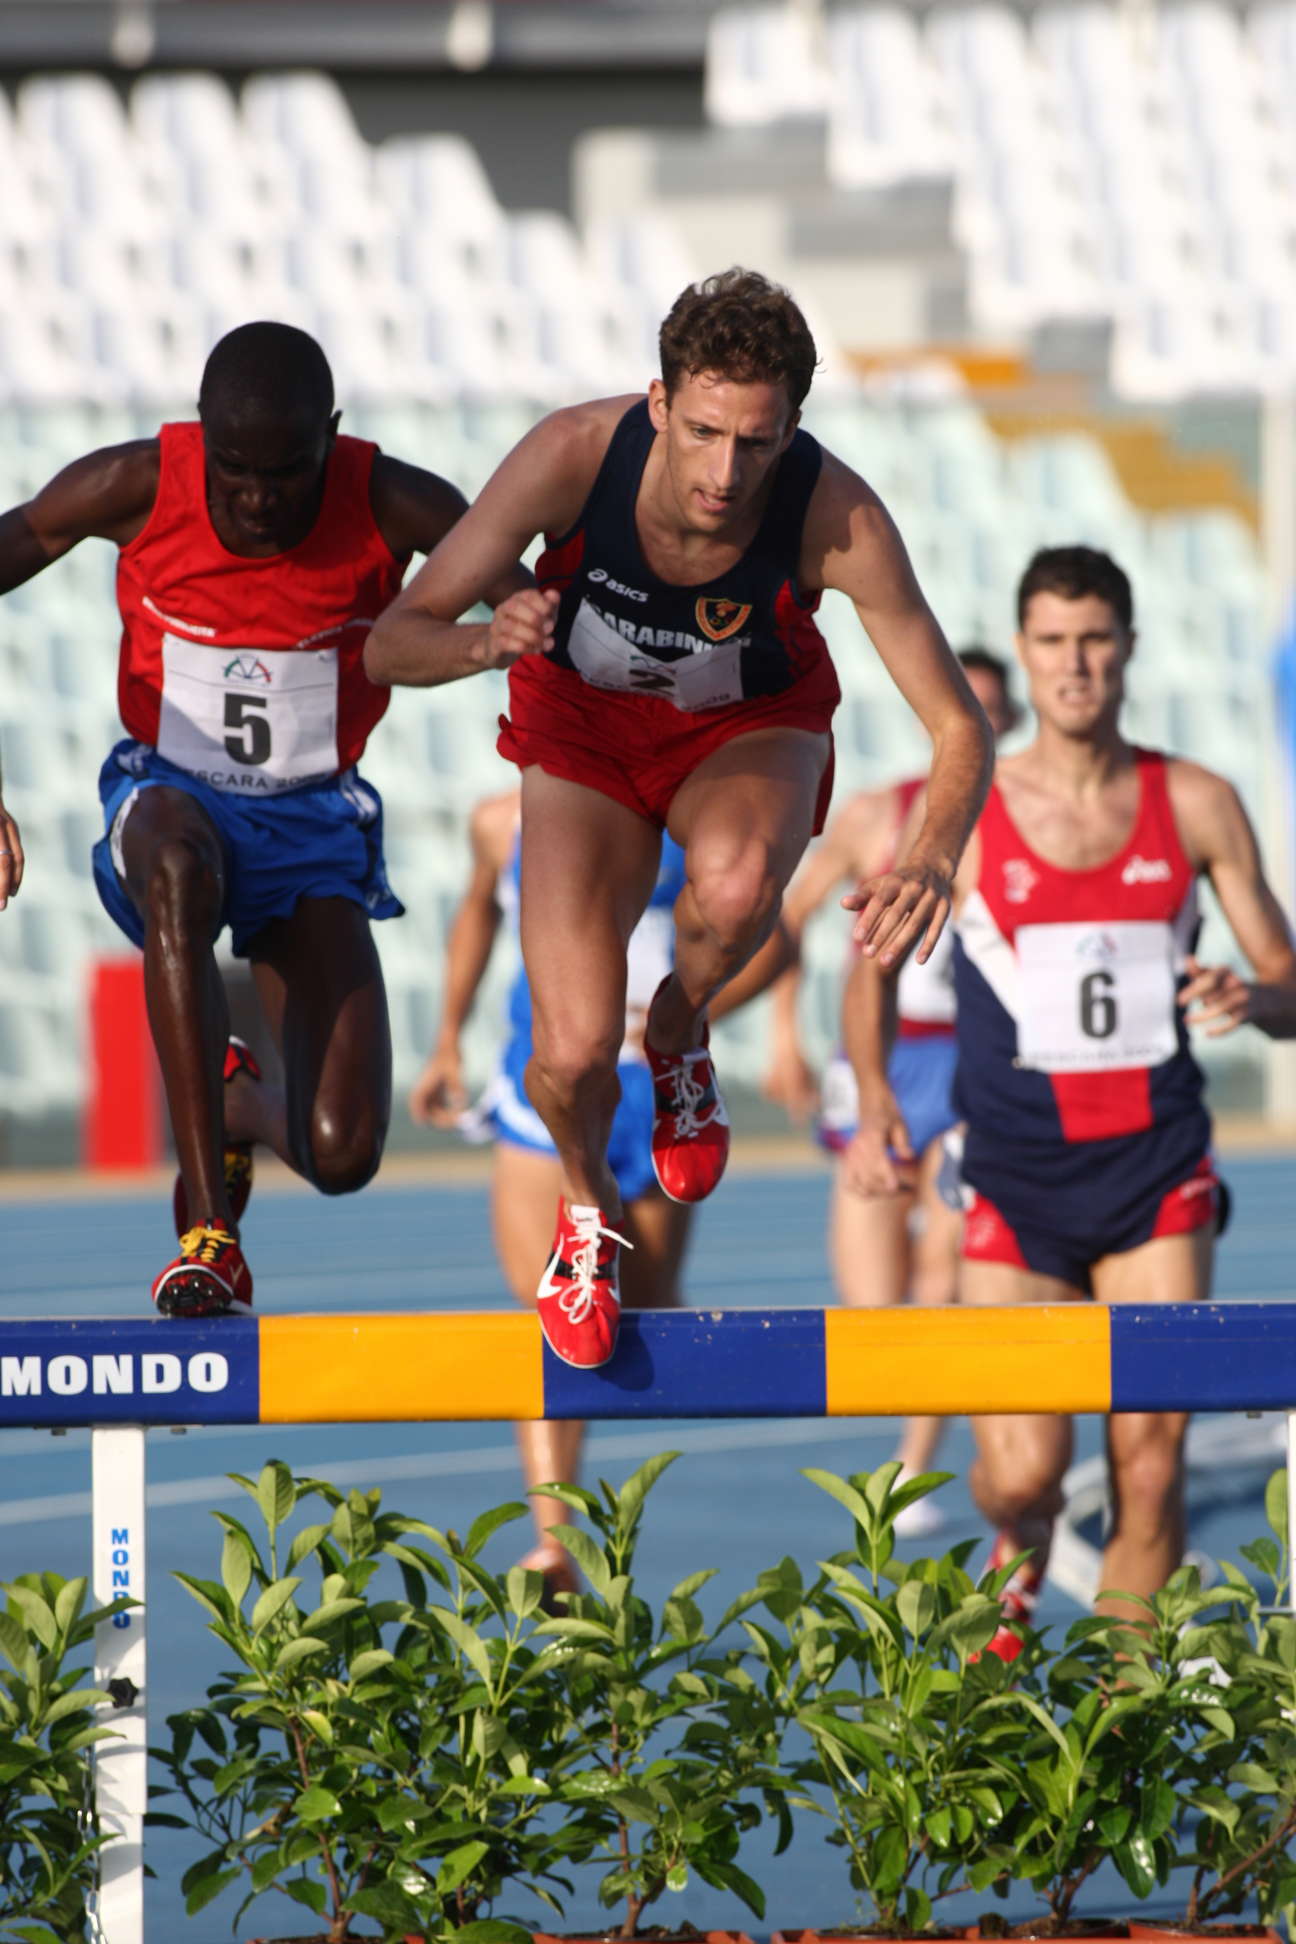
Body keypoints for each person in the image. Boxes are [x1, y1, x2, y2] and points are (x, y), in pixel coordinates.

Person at [365, 266, 994, 1370]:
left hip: (743, 731)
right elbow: (389, 642)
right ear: (658, 402)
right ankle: (585, 1208)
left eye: (757, 442)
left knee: (741, 887)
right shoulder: (573, 454)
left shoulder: (835, 513)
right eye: (703, 432)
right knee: (567, 1055)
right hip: (583, 733)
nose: (724, 472)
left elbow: (958, 726)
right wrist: (483, 641)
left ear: (793, 427)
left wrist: (935, 856)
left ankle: (679, 1028)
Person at [0, 320, 527, 1316]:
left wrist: (520, 632)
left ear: (332, 435)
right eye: (233, 470)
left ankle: (240, 1102)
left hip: (311, 823)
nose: (255, 498)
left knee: (343, 1153)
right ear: (202, 436)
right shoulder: (134, 484)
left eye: (285, 472)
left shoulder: (396, 502)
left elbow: (530, 612)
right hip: (170, 793)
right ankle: (209, 1229)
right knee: (177, 874)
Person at [847, 544, 1296, 1656]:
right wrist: (874, 1095)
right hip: (1015, 1180)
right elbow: (874, 959)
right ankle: (1018, 1537)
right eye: (1052, 641)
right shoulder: (968, 812)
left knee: (1149, 1463)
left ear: (1129, 647)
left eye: (1095, 639)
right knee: (1021, 1473)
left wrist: (1254, 995)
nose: (1075, 664)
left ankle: (1118, 1711)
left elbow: (1288, 982)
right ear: (1027, 651)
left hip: (1157, 1177)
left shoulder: (1195, 801)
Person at [410, 786, 788, 1598]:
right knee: (548, 1307)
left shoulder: (688, 817)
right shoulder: (499, 823)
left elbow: (775, 944)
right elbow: (477, 913)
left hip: (652, 1092)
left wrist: (690, 1013)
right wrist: (446, 1037)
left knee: (645, 1305)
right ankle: (554, 1542)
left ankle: (730, 1361)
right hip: (546, 1092)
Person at [762, 648, 1021, 1535]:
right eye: (966, 709)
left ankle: (915, 1462)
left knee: (943, 1265)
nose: (979, 726)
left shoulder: (1028, 822)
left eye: (993, 712)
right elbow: (792, 919)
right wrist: (783, 1035)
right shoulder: (876, 814)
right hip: (877, 1055)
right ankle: (917, 1417)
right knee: (873, 1299)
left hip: (972, 1064)